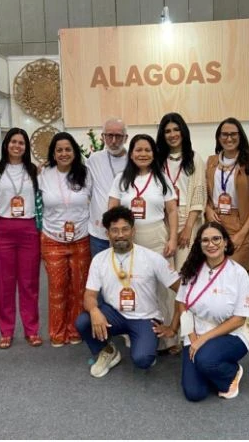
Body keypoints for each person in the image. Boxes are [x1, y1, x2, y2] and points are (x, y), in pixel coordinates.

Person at [75, 206, 181, 378]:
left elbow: (183, 290)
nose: (120, 235)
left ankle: (143, 343)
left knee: (143, 360)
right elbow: (89, 295)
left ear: (133, 231)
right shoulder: (99, 260)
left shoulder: (151, 258)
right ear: (107, 233)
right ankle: (108, 351)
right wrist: (94, 311)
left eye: (125, 229)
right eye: (114, 230)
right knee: (83, 322)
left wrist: (173, 328)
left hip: (144, 318)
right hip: (115, 314)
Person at [156, 222, 249, 401]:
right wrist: (192, 336)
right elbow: (182, 304)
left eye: (216, 239)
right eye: (205, 240)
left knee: (205, 360)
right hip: (195, 334)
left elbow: (239, 319)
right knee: (194, 393)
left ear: (225, 242)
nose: (211, 244)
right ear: (200, 245)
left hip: (230, 335)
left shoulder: (238, 274)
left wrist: (202, 340)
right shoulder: (191, 269)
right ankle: (210, 366)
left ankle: (231, 371)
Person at [108, 134, 179, 351]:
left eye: (147, 150)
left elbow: (172, 210)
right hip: (129, 238)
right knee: (133, 285)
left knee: (163, 288)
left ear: (154, 154)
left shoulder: (162, 179)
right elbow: (112, 210)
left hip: (157, 235)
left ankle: (168, 338)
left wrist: (173, 237)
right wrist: (115, 238)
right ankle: (136, 335)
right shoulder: (121, 179)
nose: (143, 154)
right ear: (131, 154)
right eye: (138, 150)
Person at [0, 128, 43, 349]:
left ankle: (31, 329)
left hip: (28, 229)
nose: (17, 146)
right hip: (3, 229)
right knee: (5, 284)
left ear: (26, 147)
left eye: (21, 143)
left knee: (29, 283)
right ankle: (6, 330)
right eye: (13, 141)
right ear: (6, 144)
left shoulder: (34, 171)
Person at [39, 132, 92, 347]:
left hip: (81, 237)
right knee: (57, 287)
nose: (64, 153)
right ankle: (57, 331)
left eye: (68, 149)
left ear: (75, 152)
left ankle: (75, 328)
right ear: (53, 153)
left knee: (79, 288)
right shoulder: (43, 174)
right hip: (52, 238)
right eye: (59, 150)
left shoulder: (85, 174)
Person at [205, 117, 249, 269]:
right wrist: (208, 210)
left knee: (232, 273)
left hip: (240, 225)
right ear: (218, 138)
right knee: (214, 273)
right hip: (215, 222)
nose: (229, 138)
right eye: (224, 134)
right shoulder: (211, 162)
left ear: (240, 136)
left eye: (233, 134)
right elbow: (203, 194)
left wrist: (242, 234)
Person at [155, 112, 206, 269]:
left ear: (183, 131)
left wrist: (188, 228)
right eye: (167, 131)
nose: (172, 135)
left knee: (185, 269)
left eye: (176, 129)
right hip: (163, 218)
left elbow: (198, 195)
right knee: (166, 268)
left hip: (186, 217)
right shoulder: (157, 160)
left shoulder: (194, 158)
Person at [86, 118, 129, 257]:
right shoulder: (94, 160)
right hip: (99, 233)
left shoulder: (134, 160)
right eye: (109, 135)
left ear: (126, 138)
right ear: (103, 137)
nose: (114, 141)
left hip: (127, 233)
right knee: (101, 268)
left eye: (118, 136)